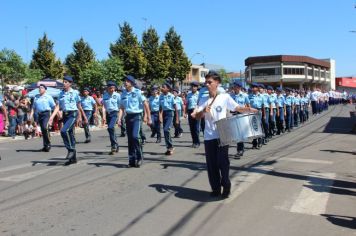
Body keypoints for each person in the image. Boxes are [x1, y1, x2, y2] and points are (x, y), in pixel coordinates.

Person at [194, 71, 257, 198]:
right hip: (209, 135)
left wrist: (249, 109)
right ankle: (216, 188)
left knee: (223, 162)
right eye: (206, 82)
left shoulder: (224, 97)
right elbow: (196, 116)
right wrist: (202, 113)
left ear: (217, 83)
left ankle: (226, 186)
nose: (207, 84)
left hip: (223, 131)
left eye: (209, 82)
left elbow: (237, 108)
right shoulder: (203, 99)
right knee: (211, 165)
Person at [49, 76, 87, 165]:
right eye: (63, 82)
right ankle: (73, 158)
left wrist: (81, 117)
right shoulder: (61, 94)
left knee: (64, 131)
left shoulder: (75, 93)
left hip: (73, 114)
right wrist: (51, 117)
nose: (64, 83)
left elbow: (79, 106)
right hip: (65, 115)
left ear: (70, 83)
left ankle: (70, 150)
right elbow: (58, 106)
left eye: (66, 82)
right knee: (70, 134)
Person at [118, 75, 151, 167]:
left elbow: (146, 104)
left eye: (127, 81)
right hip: (128, 117)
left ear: (132, 83)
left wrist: (148, 117)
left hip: (137, 116)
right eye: (125, 81)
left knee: (135, 137)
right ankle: (131, 160)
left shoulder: (138, 92)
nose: (125, 82)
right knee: (130, 140)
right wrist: (119, 118)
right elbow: (121, 107)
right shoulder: (123, 94)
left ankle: (139, 157)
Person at [30, 84, 56, 152]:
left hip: (46, 113)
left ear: (45, 89)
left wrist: (55, 115)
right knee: (43, 130)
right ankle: (45, 145)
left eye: (41, 88)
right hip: (39, 114)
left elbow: (54, 106)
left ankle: (48, 143)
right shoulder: (36, 97)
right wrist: (31, 114)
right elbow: (33, 107)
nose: (40, 89)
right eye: (39, 88)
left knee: (45, 128)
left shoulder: (48, 97)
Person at [230, 81, 250, 158]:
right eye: (234, 86)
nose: (234, 88)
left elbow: (248, 105)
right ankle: (241, 148)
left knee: (240, 133)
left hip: (242, 114)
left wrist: (248, 113)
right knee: (236, 133)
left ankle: (240, 150)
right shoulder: (231, 95)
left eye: (236, 86)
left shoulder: (244, 95)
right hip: (233, 114)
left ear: (239, 87)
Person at [101, 81, 121, 155]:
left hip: (114, 113)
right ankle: (115, 145)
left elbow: (120, 106)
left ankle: (114, 145)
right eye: (110, 88)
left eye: (113, 88)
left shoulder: (117, 95)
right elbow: (104, 106)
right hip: (108, 114)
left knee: (110, 128)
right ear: (107, 88)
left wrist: (119, 117)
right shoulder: (105, 95)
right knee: (110, 130)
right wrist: (103, 116)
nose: (112, 89)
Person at [159, 83, 179, 155]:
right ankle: (169, 147)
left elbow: (175, 108)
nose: (161, 88)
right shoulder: (161, 96)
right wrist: (160, 116)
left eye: (163, 87)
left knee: (166, 129)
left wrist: (177, 118)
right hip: (164, 114)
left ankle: (170, 146)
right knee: (165, 131)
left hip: (170, 114)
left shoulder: (171, 96)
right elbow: (160, 108)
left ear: (168, 89)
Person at [185, 81, 200, 148]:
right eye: (192, 86)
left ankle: (197, 142)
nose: (193, 88)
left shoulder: (199, 94)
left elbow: (200, 104)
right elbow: (187, 104)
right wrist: (185, 112)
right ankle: (194, 142)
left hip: (197, 111)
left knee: (196, 127)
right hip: (190, 111)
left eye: (195, 86)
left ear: (197, 87)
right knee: (191, 128)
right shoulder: (189, 94)